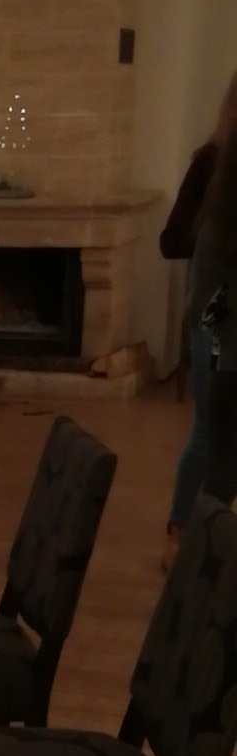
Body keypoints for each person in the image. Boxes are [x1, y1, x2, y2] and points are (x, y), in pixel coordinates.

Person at [161, 72, 237, 565]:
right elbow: (171, 241)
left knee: (224, 440)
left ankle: (209, 541)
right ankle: (183, 535)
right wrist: (212, 236)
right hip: (217, 316)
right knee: (211, 434)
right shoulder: (212, 163)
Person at [187, 114, 237, 511]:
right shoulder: (219, 227)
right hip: (225, 350)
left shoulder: (218, 223)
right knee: (215, 458)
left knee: (218, 465)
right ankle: (187, 529)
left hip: (225, 352)